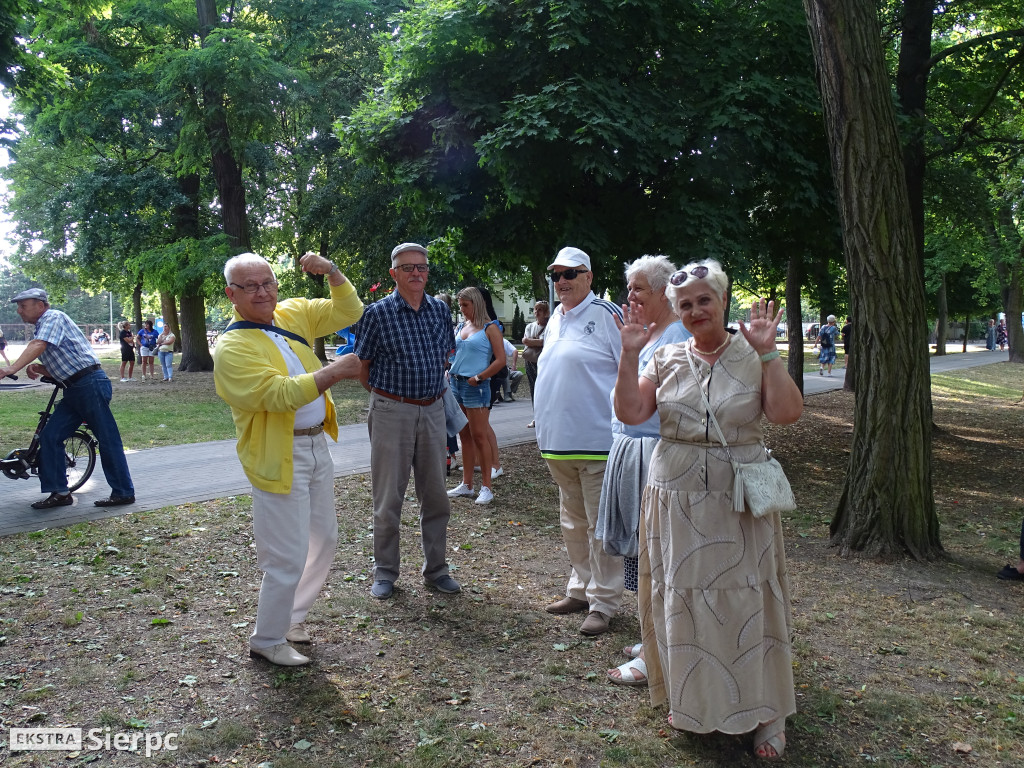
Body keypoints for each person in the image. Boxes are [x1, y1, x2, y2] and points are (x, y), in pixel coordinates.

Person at [613, 259, 802, 760]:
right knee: (683, 598)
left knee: (747, 599)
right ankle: (693, 696)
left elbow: (786, 413)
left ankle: (767, 714)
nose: (696, 310)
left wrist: (769, 355)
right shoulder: (667, 357)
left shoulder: (752, 351)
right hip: (674, 494)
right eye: (685, 304)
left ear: (722, 300)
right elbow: (632, 413)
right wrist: (629, 355)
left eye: (704, 300)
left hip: (737, 497)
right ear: (675, 311)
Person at [213, 251, 363, 667]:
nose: (262, 292)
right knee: (286, 554)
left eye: (268, 282)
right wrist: (334, 371)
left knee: (325, 538)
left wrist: (333, 271)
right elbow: (276, 394)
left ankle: (292, 617)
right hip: (279, 455)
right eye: (250, 286)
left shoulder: (291, 313)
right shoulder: (232, 347)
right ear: (232, 294)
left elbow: (349, 309)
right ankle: (267, 637)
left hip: (317, 446)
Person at [599, 255, 691, 686]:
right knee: (640, 555)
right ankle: (649, 636)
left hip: (654, 455)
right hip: (633, 450)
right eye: (630, 287)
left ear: (661, 292)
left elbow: (649, 408)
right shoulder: (651, 334)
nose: (630, 296)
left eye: (637, 288)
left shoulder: (674, 338)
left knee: (655, 555)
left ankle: (657, 653)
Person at [354, 242, 461, 601]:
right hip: (390, 411)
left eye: (422, 267)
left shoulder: (439, 311)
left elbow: (444, 357)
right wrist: (393, 400)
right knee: (388, 499)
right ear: (394, 274)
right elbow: (363, 369)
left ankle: (437, 570)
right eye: (408, 267)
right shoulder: (377, 313)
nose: (416, 273)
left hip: (432, 410)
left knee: (436, 498)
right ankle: (385, 572)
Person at [534, 246, 624, 637]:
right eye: (555, 275)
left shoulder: (605, 314)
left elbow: (631, 368)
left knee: (599, 527)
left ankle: (603, 603)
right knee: (573, 522)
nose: (561, 282)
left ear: (589, 276)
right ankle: (581, 589)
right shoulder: (555, 317)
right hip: (557, 443)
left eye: (570, 274)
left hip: (597, 441)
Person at [1, 288, 136, 510]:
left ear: (41, 305)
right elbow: (67, 364)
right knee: (50, 436)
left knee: (108, 438)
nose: (19, 310)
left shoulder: (53, 317)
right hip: (74, 388)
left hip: (90, 384)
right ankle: (61, 492)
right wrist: (41, 368)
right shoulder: (42, 326)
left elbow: (38, 345)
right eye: (18, 306)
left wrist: (12, 368)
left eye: (23, 305)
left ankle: (123, 492)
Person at [446, 286, 506, 505]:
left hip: (476, 386)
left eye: (465, 305)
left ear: (476, 304)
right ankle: (467, 484)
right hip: (456, 383)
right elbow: (453, 353)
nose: (462, 310)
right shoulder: (461, 326)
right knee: (464, 436)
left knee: (480, 435)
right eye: (460, 305)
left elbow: (500, 360)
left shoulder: (490, 328)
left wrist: (480, 377)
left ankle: (487, 487)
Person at [522, 300, 549, 428]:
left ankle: (546, 417)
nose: (537, 312)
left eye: (540, 310)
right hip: (530, 362)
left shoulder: (550, 326)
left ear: (545, 312)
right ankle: (536, 417)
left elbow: (544, 342)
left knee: (545, 389)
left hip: (544, 362)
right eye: (535, 309)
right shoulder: (530, 326)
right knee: (534, 389)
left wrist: (532, 341)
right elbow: (525, 341)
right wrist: (536, 341)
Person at [496, 338, 523, 402]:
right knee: (505, 370)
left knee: (519, 374)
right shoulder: (487, 341)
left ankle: (509, 392)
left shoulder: (503, 341)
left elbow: (515, 351)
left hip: (505, 369)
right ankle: (505, 394)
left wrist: (514, 365)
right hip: (495, 369)